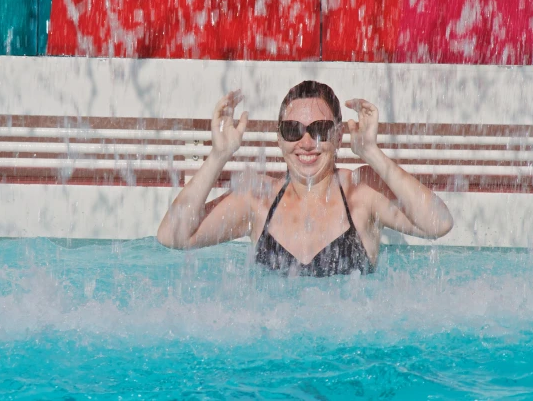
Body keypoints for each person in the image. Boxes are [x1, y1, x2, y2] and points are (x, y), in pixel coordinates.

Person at [156, 81, 454, 276]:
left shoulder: (360, 193)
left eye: (321, 129)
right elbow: (173, 235)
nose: (307, 143)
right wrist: (219, 155)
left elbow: (438, 223)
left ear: (338, 137)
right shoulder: (257, 199)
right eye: (293, 130)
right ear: (279, 139)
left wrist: (372, 152)